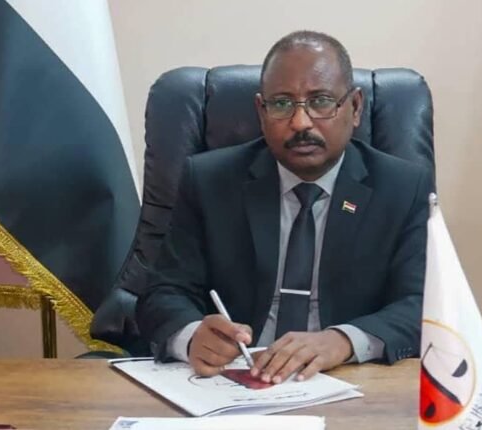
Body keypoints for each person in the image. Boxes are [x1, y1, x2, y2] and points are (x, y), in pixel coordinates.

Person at [136, 30, 430, 384]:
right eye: (281, 104)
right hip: (233, 380)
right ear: (261, 112)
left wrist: (342, 340)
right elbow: (163, 293)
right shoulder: (209, 181)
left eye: (321, 101)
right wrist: (191, 335)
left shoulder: (403, 187)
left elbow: (421, 304)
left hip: (346, 380)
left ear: (354, 107)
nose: (300, 122)